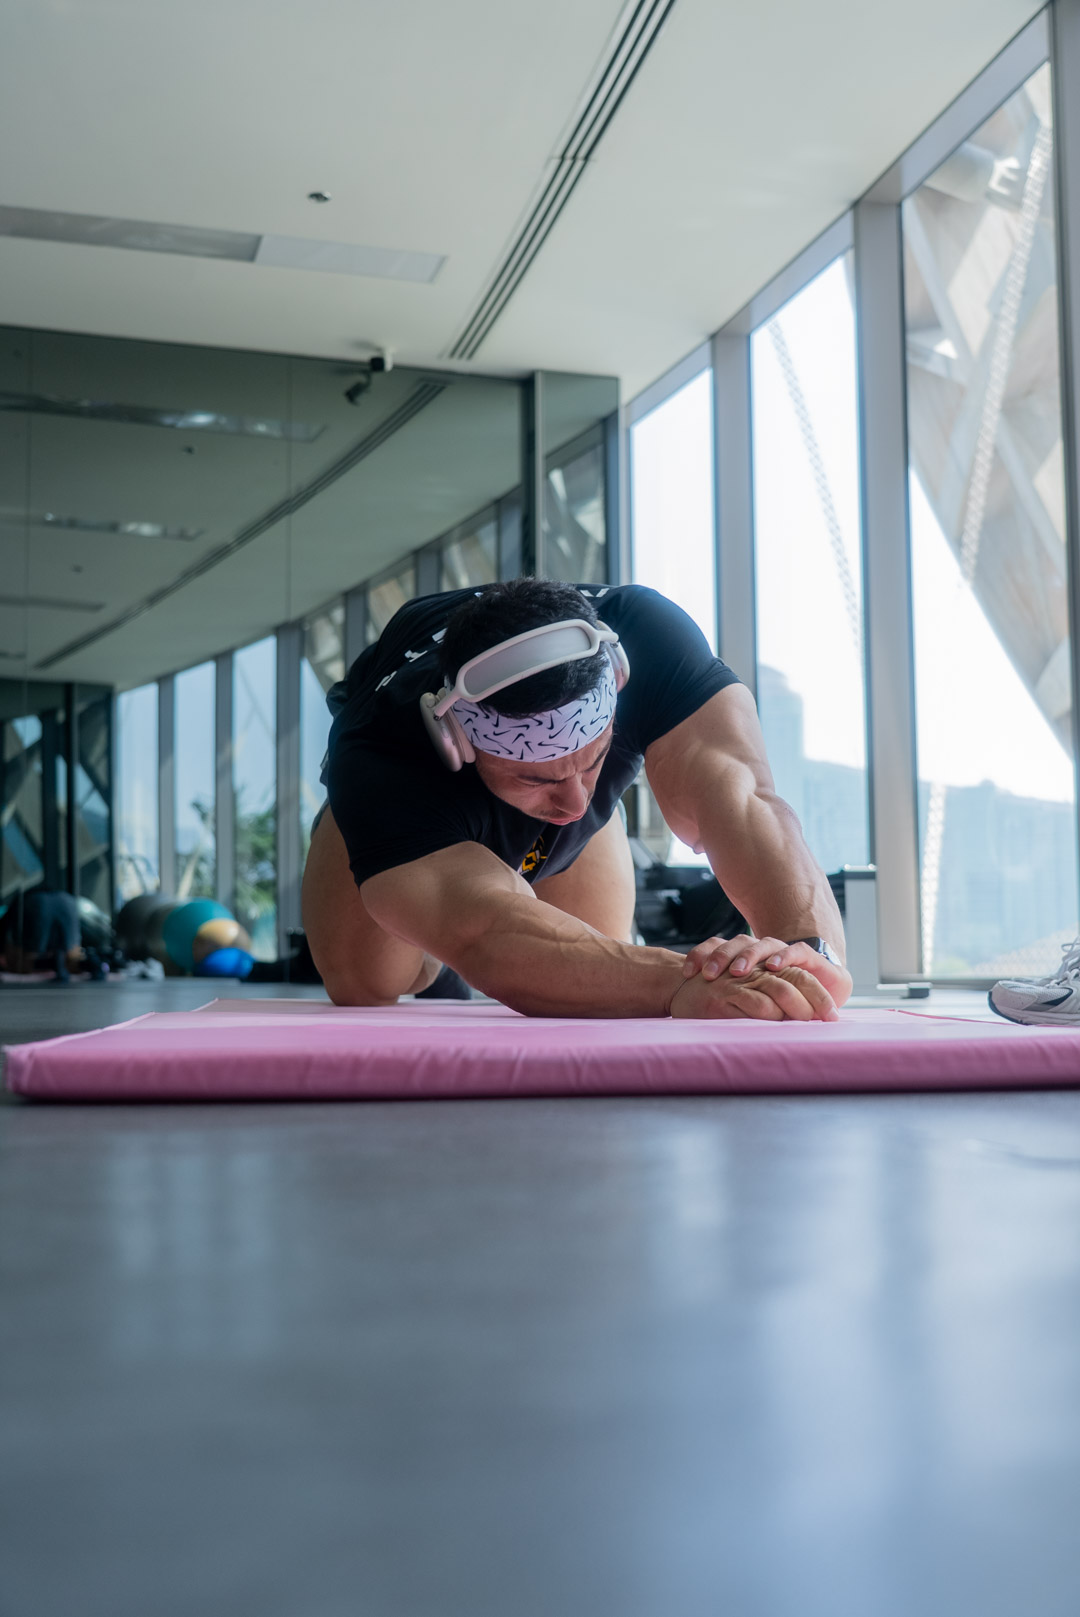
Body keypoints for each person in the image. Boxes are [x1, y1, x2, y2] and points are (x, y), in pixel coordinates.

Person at [302, 578, 853, 1020]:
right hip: (419, 812)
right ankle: (416, 920)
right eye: (536, 778)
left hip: (559, 830)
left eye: (594, 761)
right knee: (367, 984)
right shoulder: (380, 753)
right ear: (457, 743)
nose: (573, 804)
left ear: (619, 678)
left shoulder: (647, 636)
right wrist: (689, 979)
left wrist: (807, 953)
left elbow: (744, 799)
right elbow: (485, 933)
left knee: (601, 977)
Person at [0, 889, 82, 982]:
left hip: (37, 903)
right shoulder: (66, 898)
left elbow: (5, 927)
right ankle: (68, 966)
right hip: (66, 901)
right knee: (71, 955)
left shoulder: (25, 900)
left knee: (23, 962)